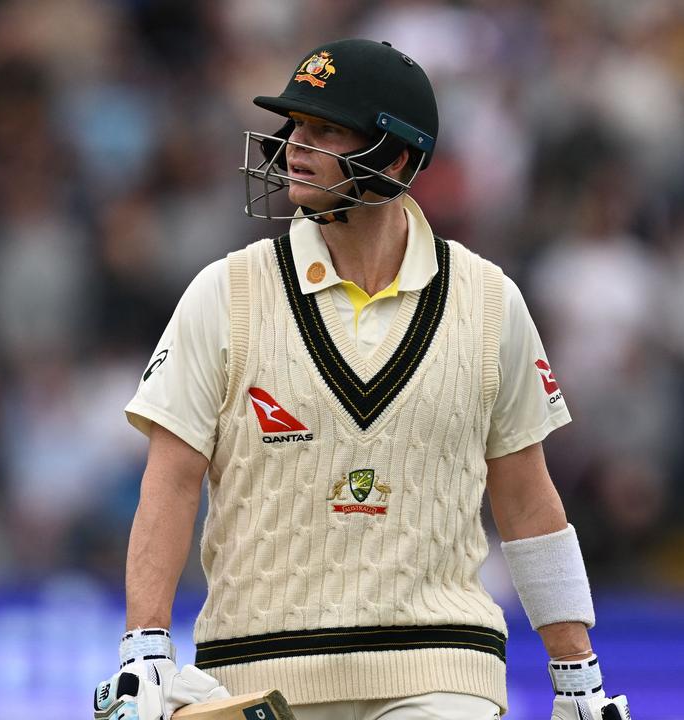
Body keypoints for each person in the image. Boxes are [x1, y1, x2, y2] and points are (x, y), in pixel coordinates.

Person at [93, 38, 633, 720]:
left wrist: (576, 674)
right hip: (258, 675)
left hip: (441, 665)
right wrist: (144, 647)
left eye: (325, 130)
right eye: (295, 127)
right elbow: (171, 477)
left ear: (396, 156)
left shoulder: (490, 302)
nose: (295, 146)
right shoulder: (224, 295)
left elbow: (527, 499)